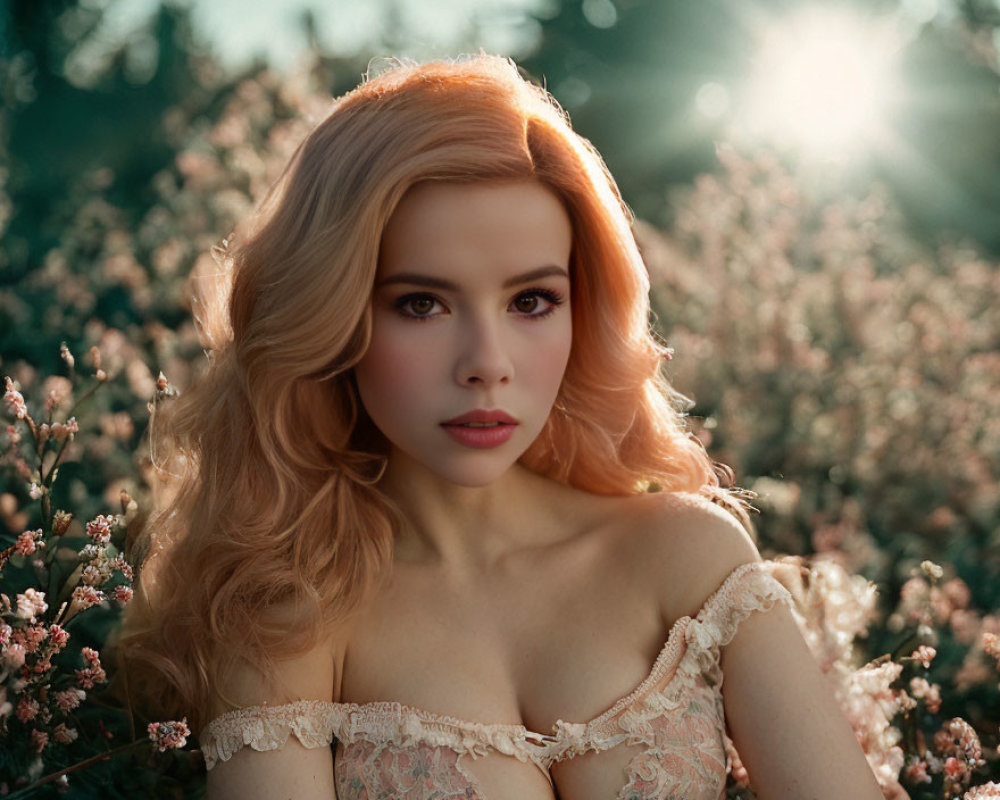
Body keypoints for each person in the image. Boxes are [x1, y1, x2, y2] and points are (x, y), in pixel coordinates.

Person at [114, 54, 884, 799]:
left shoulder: (688, 558)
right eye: (421, 303)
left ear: (583, 310)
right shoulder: (293, 617)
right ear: (334, 317)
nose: (488, 364)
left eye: (531, 301)